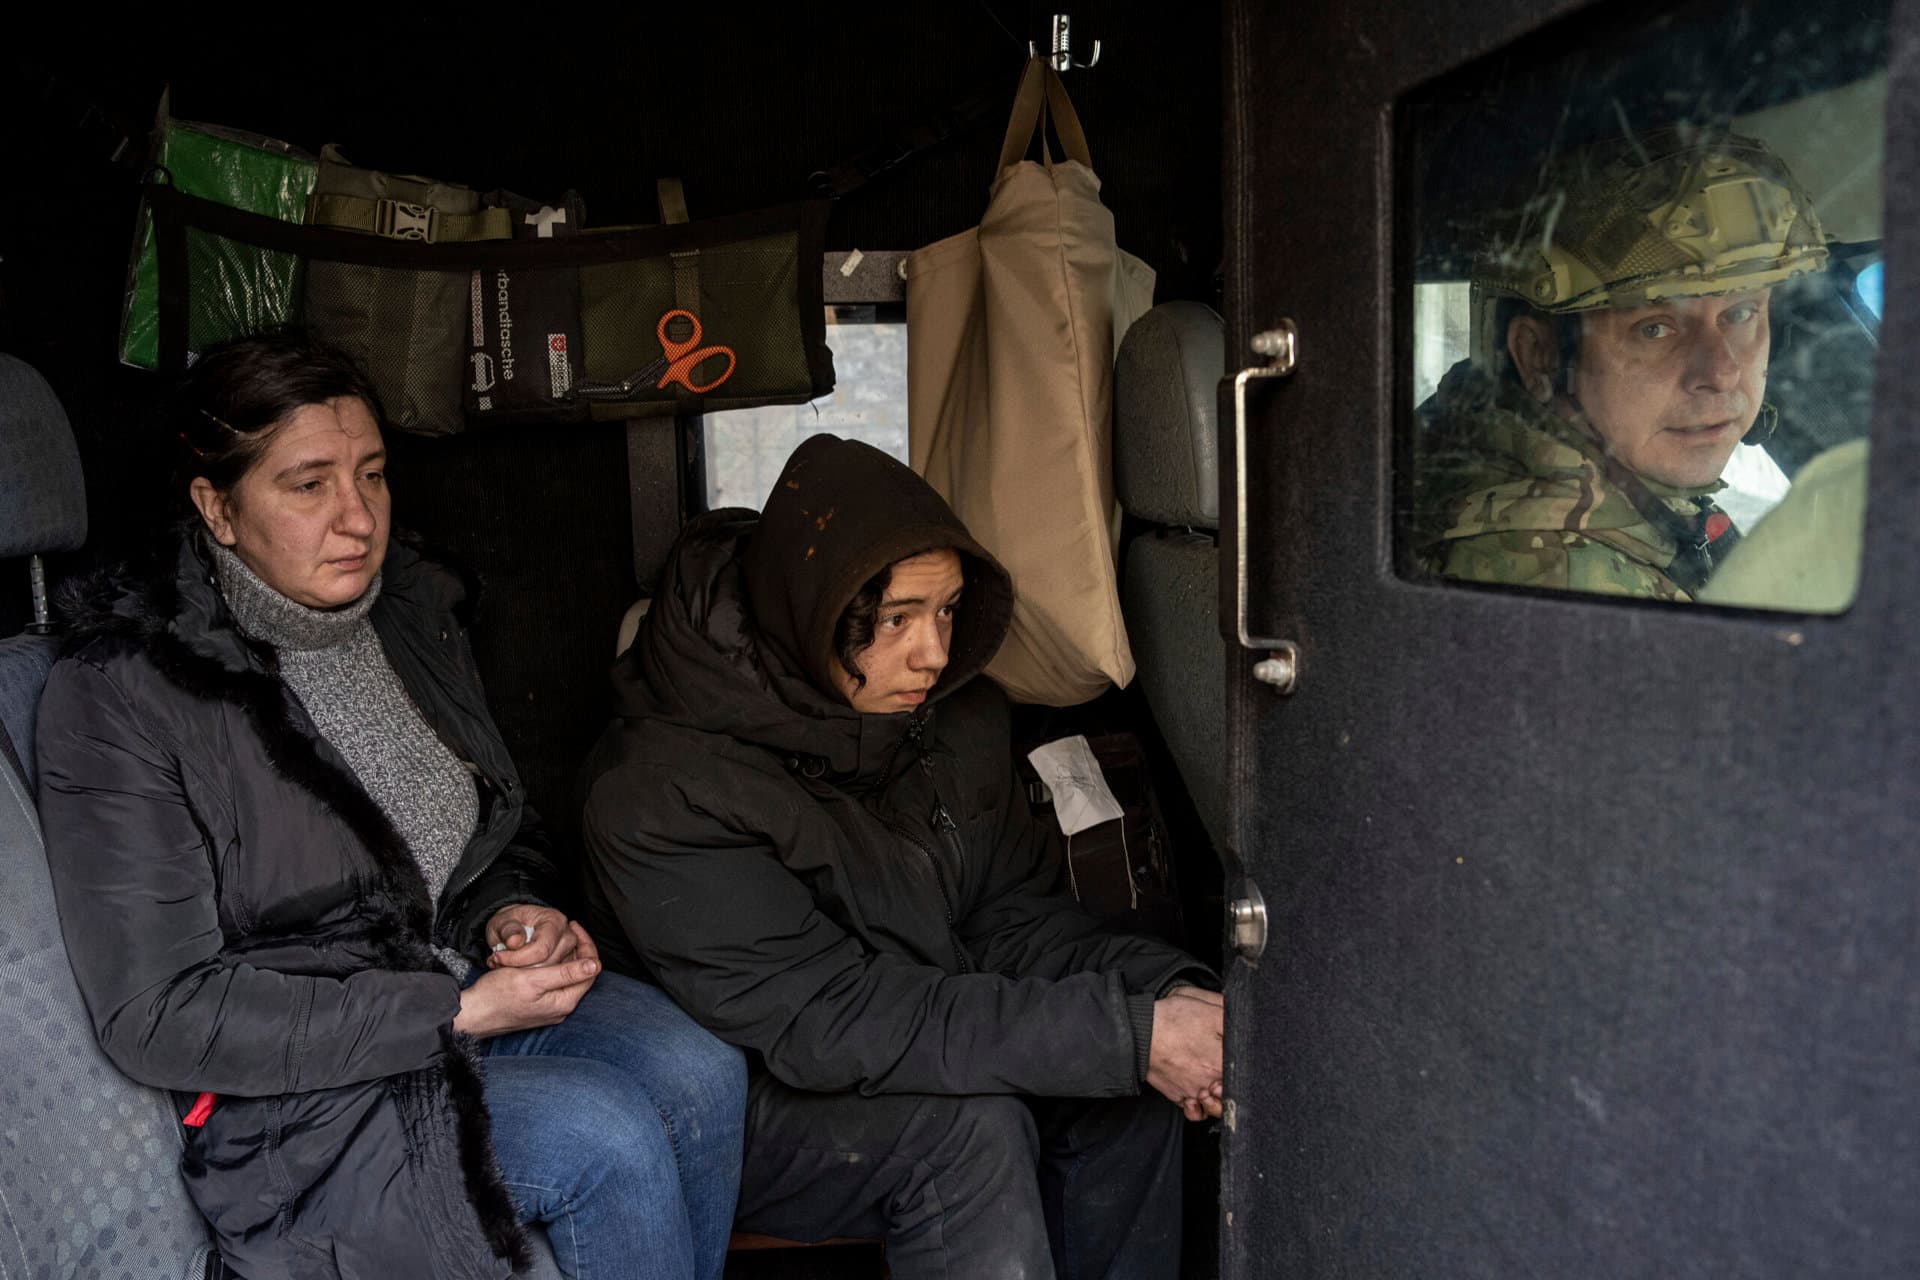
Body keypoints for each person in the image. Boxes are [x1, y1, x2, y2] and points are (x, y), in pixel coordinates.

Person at [34, 331, 746, 1280]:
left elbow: (486, 834)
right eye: (308, 484)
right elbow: (158, 1012)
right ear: (218, 507)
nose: (356, 517)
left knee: (705, 1071)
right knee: (605, 1139)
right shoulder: (126, 691)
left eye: (371, 475)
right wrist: (451, 1010)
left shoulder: (406, 613)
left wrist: (508, 913)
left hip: (458, 996)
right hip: (309, 1093)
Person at [579, 432, 1224, 1280]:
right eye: (895, 619)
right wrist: (1124, 1033)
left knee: (1125, 1092)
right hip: (741, 1096)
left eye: (948, 610)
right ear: (810, 615)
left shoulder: (946, 721)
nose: (934, 652)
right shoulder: (659, 792)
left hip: (887, 1024)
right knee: (969, 1133)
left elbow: (1010, 922)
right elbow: (834, 1018)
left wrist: (1164, 997)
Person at [1415, 128, 1830, 599]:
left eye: (1739, 314)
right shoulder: (1554, 576)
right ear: (1540, 357)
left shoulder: (1620, 498)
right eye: (1655, 328)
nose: (1721, 373)